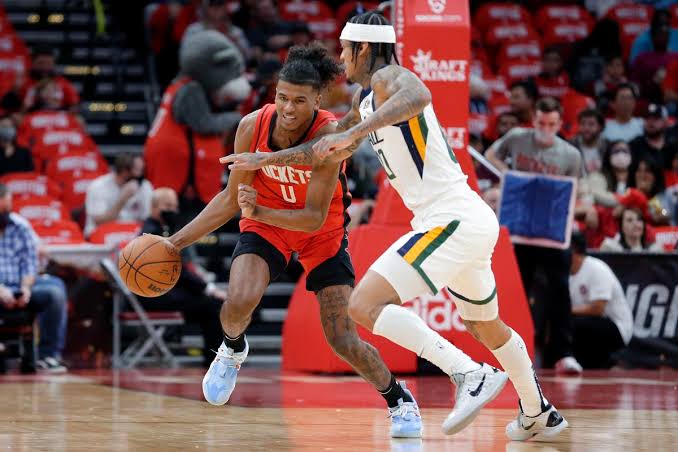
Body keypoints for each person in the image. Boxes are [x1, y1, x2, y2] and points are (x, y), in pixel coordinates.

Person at [223, 12, 567, 441]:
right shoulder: (364, 100)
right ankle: (539, 411)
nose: (342, 59)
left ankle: (468, 373)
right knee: (486, 326)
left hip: (451, 218)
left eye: (346, 50)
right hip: (467, 221)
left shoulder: (390, 77)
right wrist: (263, 160)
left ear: (363, 49)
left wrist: (365, 129)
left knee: (363, 305)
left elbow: (419, 94)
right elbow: (320, 151)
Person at [165, 43, 500, 439]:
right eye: (282, 97)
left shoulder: (329, 135)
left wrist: (256, 211)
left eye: (299, 101)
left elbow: (311, 218)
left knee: (342, 338)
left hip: (320, 234)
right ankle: (233, 348)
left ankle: (398, 398)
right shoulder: (250, 126)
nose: (289, 108)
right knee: (237, 300)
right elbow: (227, 199)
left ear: (318, 99)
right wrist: (174, 245)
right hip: (267, 229)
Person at [482, 97, 586, 376]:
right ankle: (508, 352)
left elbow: (577, 191)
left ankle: (563, 353)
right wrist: (510, 176)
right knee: (516, 291)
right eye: (541, 122)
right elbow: (490, 156)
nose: (545, 128)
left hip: (551, 232)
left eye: (552, 124)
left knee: (559, 291)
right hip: (518, 228)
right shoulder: (517, 138)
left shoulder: (570, 155)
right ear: (534, 119)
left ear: (560, 124)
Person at [140, 187, 226, 367]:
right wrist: (207, 288)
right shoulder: (152, 233)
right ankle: (213, 362)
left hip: (164, 292)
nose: (172, 210)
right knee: (211, 306)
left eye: (174, 206)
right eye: (167, 205)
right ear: (154, 207)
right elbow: (178, 272)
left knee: (210, 304)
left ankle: (214, 359)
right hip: (154, 297)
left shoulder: (164, 228)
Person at [0, 183, 68, 372]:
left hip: (19, 285)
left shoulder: (21, 227)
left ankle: (48, 355)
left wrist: (26, 289)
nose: (6, 212)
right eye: (2, 208)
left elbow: (29, 264)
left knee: (55, 291)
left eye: (7, 207)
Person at [569, 233, 633, 368]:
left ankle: (605, 362)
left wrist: (566, 310)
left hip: (617, 327)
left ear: (573, 250)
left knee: (574, 324)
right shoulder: (567, 275)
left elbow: (598, 308)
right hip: (592, 322)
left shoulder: (596, 268)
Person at [84, 153, 153, 237]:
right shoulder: (98, 186)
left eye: (142, 170)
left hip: (132, 235)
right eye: (136, 170)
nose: (140, 175)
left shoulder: (144, 186)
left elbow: (147, 219)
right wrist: (123, 199)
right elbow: (99, 222)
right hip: (102, 235)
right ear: (124, 171)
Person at [570, 108, 607, 175]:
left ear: (600, 127)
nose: (586, 128)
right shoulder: (570, 146)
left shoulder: (607, 147)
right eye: (583, 123)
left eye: (591, 124)